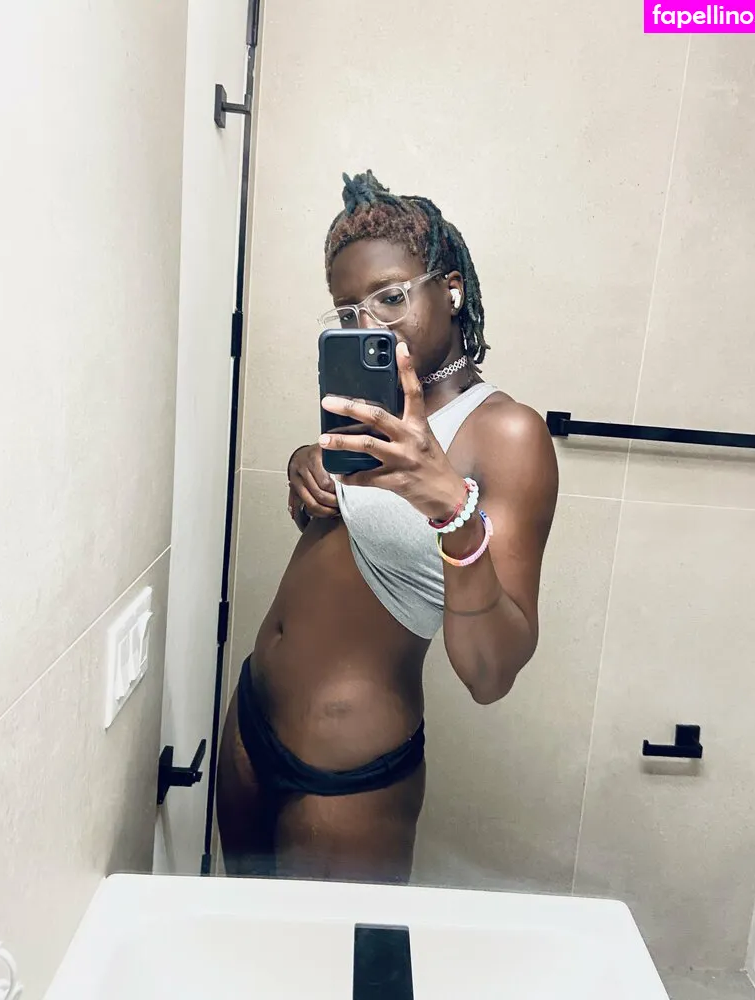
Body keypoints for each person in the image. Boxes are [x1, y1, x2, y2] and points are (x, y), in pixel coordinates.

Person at [216, 171, 558, 883]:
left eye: (391, 298)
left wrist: (453, 512)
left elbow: (492, 673)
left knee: (331, 951)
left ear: (451, 290)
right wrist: (306, 464)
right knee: (243, 933)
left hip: (346, 769)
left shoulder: (507, 432)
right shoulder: (371, 406)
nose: (368, 325)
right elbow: (352, 536)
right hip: (250, 717)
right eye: (348, 312)